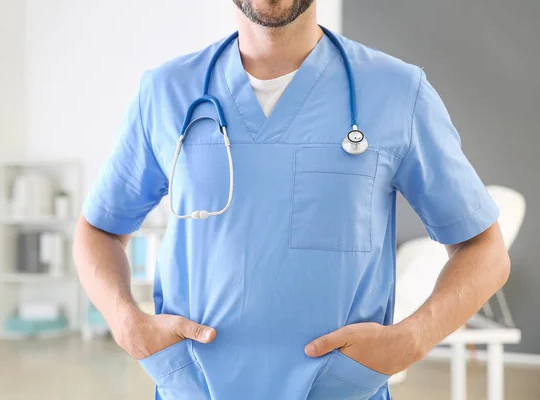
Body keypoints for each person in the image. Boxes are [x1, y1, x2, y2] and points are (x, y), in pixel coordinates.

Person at [73, 1, 511, 399]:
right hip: (197, 388)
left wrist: (413, 339)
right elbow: (98, 229)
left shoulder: (397, 92)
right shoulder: (166, 91)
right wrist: (128, 324)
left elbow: (485, 251)